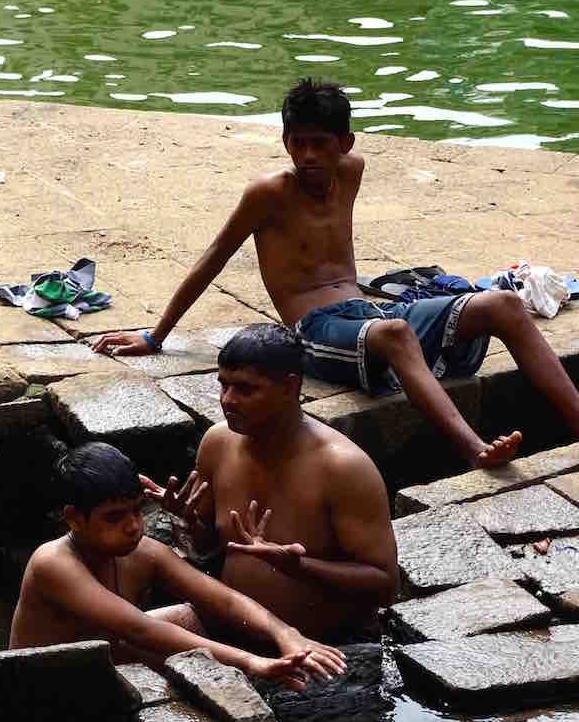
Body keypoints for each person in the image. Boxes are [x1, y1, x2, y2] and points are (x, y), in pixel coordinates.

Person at [93, 77, 579, 470]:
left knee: (504, 304)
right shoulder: (268, 193)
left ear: (344, 144)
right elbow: (214, 257)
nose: (307, 156)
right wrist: (155, 337)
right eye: (297, 143)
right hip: (316, 329)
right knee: (395, 333)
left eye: (319, 145)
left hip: (371, 313)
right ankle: (474, 450)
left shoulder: (353, 169)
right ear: (284, 142)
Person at [9, 442, 347, 688]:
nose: (132, 526)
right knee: (176, 635)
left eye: (136, 510)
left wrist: (286, 633)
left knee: (193, 615)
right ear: (73, 519)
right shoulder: (52, 563)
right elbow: (139, 629)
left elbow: (224, 599)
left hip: (104, 657)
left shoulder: (144, 553)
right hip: (46, 685)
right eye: (114, 518)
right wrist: (249, 662)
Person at [142, 325, 399, 642]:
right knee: (118, 637)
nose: (228, 400)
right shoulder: (218, 443)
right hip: (229, 618)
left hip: (320, 645)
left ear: (289, 387)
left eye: (245, 389)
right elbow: (209, 550)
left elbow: (386, 586)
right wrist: (189, 522)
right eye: (223, 385)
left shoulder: (343, 468)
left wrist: (299, 566)